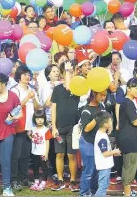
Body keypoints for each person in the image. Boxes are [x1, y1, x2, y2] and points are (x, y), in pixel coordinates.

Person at [10, 65, 41, 191]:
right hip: (18, 127)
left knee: (25, 155)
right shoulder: (15, 90)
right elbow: (14, 108)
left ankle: (23, 177)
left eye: (29, 74)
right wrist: (27, 98)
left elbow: (38, 107)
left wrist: (33, 98)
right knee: (15, 155)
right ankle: (14, 179)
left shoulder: (31, 89)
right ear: (19, 77)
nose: (28, 77)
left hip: (30, 127)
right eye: (25, 74)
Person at [51, 61, 80, 191]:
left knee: (72, 155)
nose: (69, 73)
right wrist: (53, 127)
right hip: (59, 127)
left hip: (73, 127)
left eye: (71, 71)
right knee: (59, 154)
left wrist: (69, 72)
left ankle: (73, 180)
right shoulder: (57, 89)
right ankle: (60, 179)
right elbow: (53, 108)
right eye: (67, 71)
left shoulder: (78, 87)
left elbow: (69, 87)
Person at [79, 90, 108, 196]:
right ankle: (84, 193)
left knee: (96, 171)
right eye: (102, 95)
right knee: (88, 172)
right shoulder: (86, 110)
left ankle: (94, 192)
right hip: (88, 143)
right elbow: (86, 129)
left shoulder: (102, 107)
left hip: (97, 144)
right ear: (94, 95)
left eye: (105, 95)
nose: (104, 97)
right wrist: (97, 117)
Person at [94, 112, 121, 196]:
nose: (111, 122)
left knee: (105, 185)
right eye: (110, 121)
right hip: (104, 166)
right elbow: (105, 153)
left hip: (105, 165)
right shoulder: (102, 137)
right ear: (105, 124)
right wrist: (115, 151)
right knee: (103, 186)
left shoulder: (101, 133)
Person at [29, 109, 52, 191]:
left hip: (42, 152)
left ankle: (43, 182)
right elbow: (31, 137)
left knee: (44, 167)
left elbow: (47, 142)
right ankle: (36, 182)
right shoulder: (33, 129)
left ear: (44, 119)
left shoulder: (46, 130)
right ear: (34, 119)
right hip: (34, 152)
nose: (40, 120)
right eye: (38, 119)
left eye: (42, 118)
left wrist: (46, 153)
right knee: (35, 167)